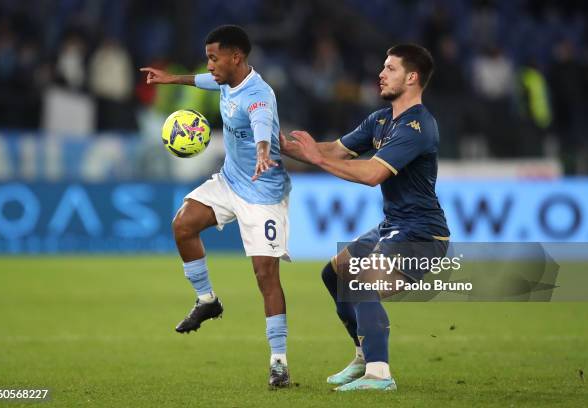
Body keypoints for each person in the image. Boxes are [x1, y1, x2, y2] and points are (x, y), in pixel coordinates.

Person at [281, 44, 449, 391]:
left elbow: (373, 174)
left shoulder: (418, 127)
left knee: (361, 280)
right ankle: (363, 356)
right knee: (336, 272)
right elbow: (336, 150)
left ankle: (379, 374)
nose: (381, 74)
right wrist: (286, 146)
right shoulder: (381, 119)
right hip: (394, 226)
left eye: (390, 68)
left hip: (422, 234)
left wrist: (319, 160)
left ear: (412, 77)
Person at [140, 25, 291, 388]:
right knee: (183, 224)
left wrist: (263, 151)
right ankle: (207, 300)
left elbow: (260, 124)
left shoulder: (259, 95)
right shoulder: (224, 80)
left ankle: (279, 361)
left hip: (263, 190)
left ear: (236, 57)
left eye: (213, 57)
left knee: (265, 276)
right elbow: (203, 82)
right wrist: (170, 79)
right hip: (229, 180)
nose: (209, 65)